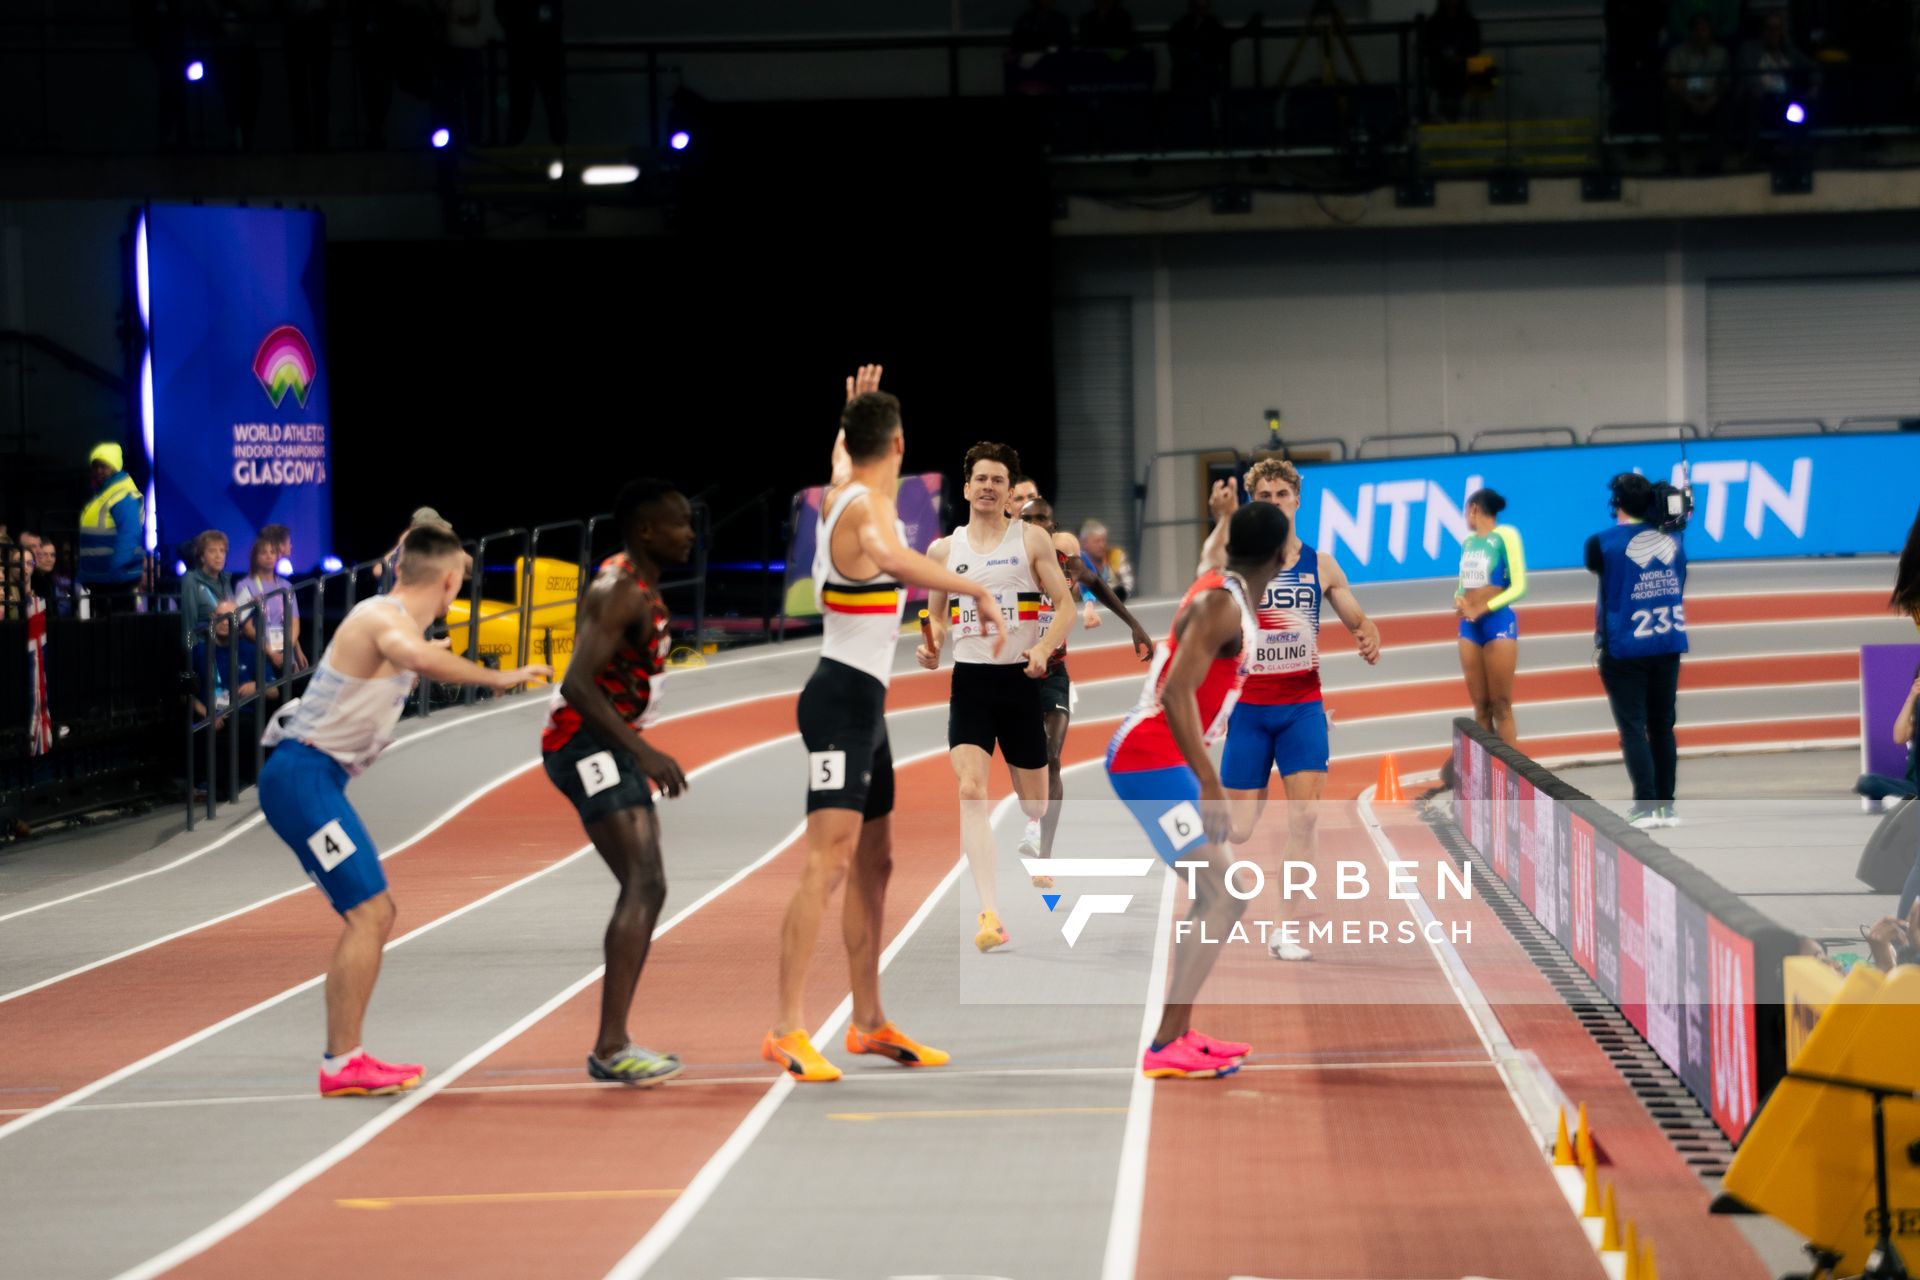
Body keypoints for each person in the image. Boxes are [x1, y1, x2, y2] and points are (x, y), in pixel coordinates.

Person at [766, 366, 1009, 1084]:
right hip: (839, 699)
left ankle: (867, 1022)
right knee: (830, 862)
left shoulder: (844, 485)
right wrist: (973, 589)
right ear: (900, 443)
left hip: (865, 708)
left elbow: (845, 454)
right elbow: (894, 557)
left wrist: (850, 414)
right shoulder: (867, 509)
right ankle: (785, 1026)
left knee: (877, 865)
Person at [257, 524, 549, 1097]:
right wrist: (497, 676)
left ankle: (345, 1058)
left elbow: (410, 652)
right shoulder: (381, 620)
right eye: (459, 584)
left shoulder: (392, 620)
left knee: (375, 912)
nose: (456, 595)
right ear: (447, 582)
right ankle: (343, 1062)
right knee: (371, 912)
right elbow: (410, 652)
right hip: (301, 779)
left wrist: (428, 652)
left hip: (316, 778)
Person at [1106, 502, 1292, 1079]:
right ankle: (1165, 1044)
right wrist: (1210, 783)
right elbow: (1176, 694)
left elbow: (1214, 553)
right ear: (1282, 557)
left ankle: (1177, 1034)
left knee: (1220, 893)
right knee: (1224, 893)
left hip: (1163, 760)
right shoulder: (1220, 606)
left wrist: (1222, 516)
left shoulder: (1222, 583)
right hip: (1150, 761)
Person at [541, 478, 697, 1085]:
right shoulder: (618, 589)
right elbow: (576, 684)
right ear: (646, 530)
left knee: (650, 885)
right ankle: (611, 1048)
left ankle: (616, 1042)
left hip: (609, 741)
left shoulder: (645, 587)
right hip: (581, 742)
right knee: (643, 881)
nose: (691, 532)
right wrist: (647, 753)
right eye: (680, 522)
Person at [1201, 459, 1383, 961]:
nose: (1276, 501)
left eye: (1283, 494)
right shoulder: (1237, 563)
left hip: (1302, 706)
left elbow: (1354, 612)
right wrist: (1223, 520)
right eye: (1266, 495)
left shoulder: (1320, 564)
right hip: (1250, 711)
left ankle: (1285, 929)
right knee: (1239, 828)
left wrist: (1367, 633)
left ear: (1297, 501)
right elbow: (1208, 574)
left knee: (1304, 817)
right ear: (1255, 501)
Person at [920, 442, 1077, 952]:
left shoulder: (1030, 539)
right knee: (970, 790)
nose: (988, 487)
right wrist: (935, 641)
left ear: (1010, 493)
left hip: (1018, 683)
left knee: (1034, 801)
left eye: (997, 480)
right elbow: (937, 614)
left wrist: (1045, 649)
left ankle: (1034, 842)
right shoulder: (944, 551)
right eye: (980, 479)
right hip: (970, 683)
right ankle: (989, 912)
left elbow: (1065, 605)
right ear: (966, 488)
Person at [1014, 496, 1154, 882]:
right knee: (1028, 767)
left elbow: (1102, 587)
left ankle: (1044, 857)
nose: (1039, 525)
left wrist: (1134, 625)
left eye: (1045, 520)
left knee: (1052, 756)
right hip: (1015, 674)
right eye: (1031, 520)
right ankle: (1031, 812)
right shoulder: (1010, 564)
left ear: (1053, 525)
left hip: (1054, 673)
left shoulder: (1069, 566)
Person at [1587, 473, 1688, 830]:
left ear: (1617, 504)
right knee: (1663, 726)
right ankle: (1666, 808)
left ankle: (1645, 807)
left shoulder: (1600, 544)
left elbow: (1602, 571)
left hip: (1624, 647)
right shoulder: (1675, 540)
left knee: (1633, 728)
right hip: (1666, 642)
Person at [1455, 487, 1526, 745]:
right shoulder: (1468, 543)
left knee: (1501, 706)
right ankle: (1485, 779)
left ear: (1474, 508)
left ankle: (1512, 777)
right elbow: (1463, 583)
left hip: (1497, 624)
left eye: (1466, 511)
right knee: (1481, 708)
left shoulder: (1505, 536)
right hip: (1470, 628)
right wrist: (1459, 598)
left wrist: (1482, 608)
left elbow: (1519, 586)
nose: (1466, 517)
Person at [235, 531, 307, 695]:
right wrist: (270, 651)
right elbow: (247, 628)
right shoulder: (244, 586)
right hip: (260, 654)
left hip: (285, 652)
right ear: (255, 556)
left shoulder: (287, 586)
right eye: (263, 552)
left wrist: (289, 650)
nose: (268, 556)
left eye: (272, 552)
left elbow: (294, 622)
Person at [78, 442, 145, 611]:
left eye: (104, 466)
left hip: (116, 581)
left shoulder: (122, 495)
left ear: (115, 467)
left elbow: (129, 535)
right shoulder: (104, 494)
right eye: (95, 466)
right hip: (102, 580)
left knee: (118, 633)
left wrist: (116, 568)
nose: (99, 471)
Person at [1664, 13, 1732, 171]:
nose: (1701, 33)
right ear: (1691, 31)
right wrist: (1691, 101)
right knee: (1670, 102)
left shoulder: (1721, 53)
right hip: (1686, 99)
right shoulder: (1678, 53)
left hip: (1712, 99)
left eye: (1705, 29)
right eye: (1698, 29)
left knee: (1727, 106)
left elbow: (1726, 82)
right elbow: (1672, 82)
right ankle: (1672, 159)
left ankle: (1713, 160)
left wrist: (1713, 100)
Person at [499, 0, 567, 145]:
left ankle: (513, 145)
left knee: (525, 107)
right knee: (543, 106)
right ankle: (559, 147)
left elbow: (503, 13)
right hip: (538, 55)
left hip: (528, 55)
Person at [1422, 0, 1483, 122]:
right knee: (1445, 70)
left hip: (1463, 66)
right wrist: (1444, 56)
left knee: (1458, 71)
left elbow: (1474, 49)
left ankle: (1451, 109)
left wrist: (1460, 57)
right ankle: (1448, 109)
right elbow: (1429, 48)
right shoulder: (1434, 23)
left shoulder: (1469, 23)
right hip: (1440, 66)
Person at [180, 530, 233, 654]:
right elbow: (189, 627)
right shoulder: (191, 579)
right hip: (204, 648)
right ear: (202, 557)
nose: (218, 556)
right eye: (212, 551)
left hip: (228, 646)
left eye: (222, 550)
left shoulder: (225, 580)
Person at [1079, 519, 1134, 600]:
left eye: (1104, 540)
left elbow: (1128, 584)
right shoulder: (1077, 562)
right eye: (1097, 541)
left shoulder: (1116, 556)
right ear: (1085, 543)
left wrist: (1119, 596)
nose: (1102, 545)